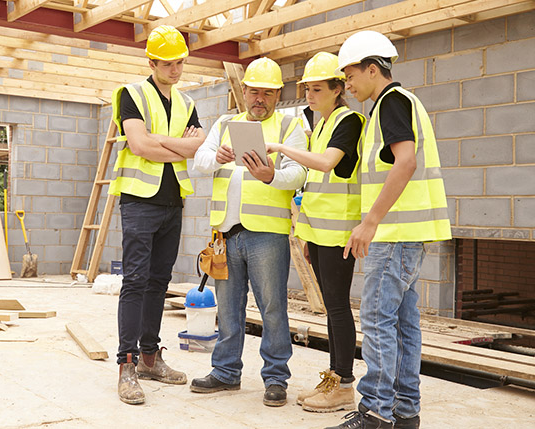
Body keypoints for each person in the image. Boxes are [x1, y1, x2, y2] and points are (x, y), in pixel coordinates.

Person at [327, 31, 452, 429]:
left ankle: (376, 412)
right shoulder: (397, 105)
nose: (347, 84)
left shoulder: (391, 103)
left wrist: (370, 221)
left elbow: (405, 162)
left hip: (394, 234)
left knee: (379, 319)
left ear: (372, 69)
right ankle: (404, 410)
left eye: (350, 76)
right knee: (403, 322)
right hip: (408, 233)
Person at [189, 57, 307, 407]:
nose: (259, 99)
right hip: (226, 232)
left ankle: (275, 378)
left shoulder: (289, 127)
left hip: (266, 234)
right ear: (244, 91)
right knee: (227, 309)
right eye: (254, 91)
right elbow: (199, 161)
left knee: (272, 308)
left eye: (267, 93)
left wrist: (272, 175)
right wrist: (219, 157)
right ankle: (225, 373)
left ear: (277, 94)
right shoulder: (226, 123)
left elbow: (300, 173)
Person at [108, 25, 206, 405]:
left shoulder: (187, 102)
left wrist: (160, 142)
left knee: (158, 281)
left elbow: (195, 148)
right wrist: (178, 145)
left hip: (172, 202)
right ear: (151, 61)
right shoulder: (131, 95)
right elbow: (138, 144)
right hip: (139, 200)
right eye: (169, 64)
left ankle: (150, 356)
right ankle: (126, 365)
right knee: (134, 281)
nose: (177, 70)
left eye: (181, 63)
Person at [266, 51, 364, 413]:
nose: (309, 95)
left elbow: (325, 164)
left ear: (338, 89)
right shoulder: (320, 123)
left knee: (338, 307)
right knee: (330, 307)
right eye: (307, 89)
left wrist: (280, 147)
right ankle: (333, 378)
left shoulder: (349, 121)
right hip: (319, 231)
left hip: (339, 231)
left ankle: (344, 384)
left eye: (317, 89)